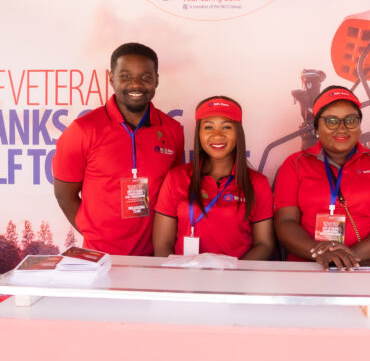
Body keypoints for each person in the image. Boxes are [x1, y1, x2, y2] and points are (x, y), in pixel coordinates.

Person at [53, 43, 184, 255]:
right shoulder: (83, 130)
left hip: (155, 257)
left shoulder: (173, 130)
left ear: (156, 80)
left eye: (146, 77)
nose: (136, 84)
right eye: (126, 76)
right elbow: (64, 195)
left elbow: (173, 195)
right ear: (111, 78)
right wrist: (95, 236)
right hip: (100, 258)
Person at [274, 86, 370, 271]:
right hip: (308, 267)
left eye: (351, 120)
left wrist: (350, 256)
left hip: (364, 266)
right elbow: (285, 222)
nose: (342, 128)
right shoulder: (295, 164)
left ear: (359, 126)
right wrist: (321, 254)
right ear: (317, 127)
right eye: (331, 121)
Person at [152, 96, 274, 259]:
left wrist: (234, 272)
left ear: (238, 133)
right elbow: (162, 244)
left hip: (237, 274)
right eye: (208, 127)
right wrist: (178, 273)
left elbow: (265, 244)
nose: (217, 135)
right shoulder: (176, 178)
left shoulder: (257, 183)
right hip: (184, 274)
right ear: (199, 133)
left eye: (226, 127)